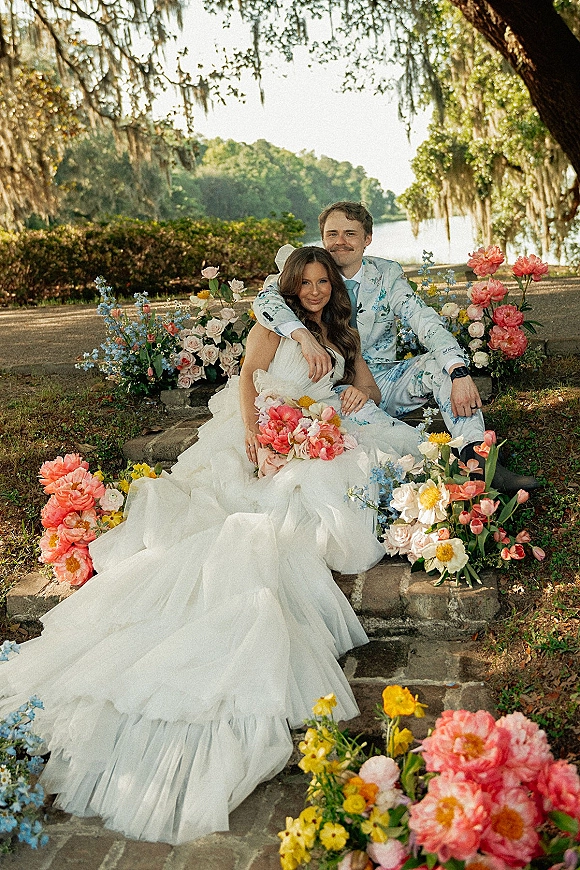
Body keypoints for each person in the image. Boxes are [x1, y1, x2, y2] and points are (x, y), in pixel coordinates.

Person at [0, 248, 419, 846]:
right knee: (265, 512)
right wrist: (257, 437)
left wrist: (355, 393)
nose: (317, 290)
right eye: (308, 281)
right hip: (264, 427)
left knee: (340, 484)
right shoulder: (272, 324)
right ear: (292, 285)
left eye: (325, 281)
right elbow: (248, 379)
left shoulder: (340, 329)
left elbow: (363, 379)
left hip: (317, 426)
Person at [253, 201, 539, 493]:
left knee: (441, 367)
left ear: (367, 239)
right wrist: (304, 336)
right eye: (332, 234)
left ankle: (476, 456)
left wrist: (459, 370)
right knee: (348, 400)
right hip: (334, 392)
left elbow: (422, 319)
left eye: (350, 234)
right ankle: (439, 467)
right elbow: (265, 300)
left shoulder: (386, 274)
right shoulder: (311, 272)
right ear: (323, 237)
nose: (340, 242)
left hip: (385, 380)